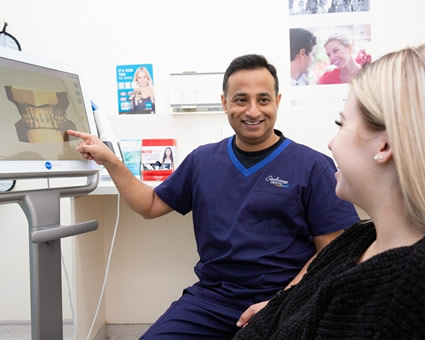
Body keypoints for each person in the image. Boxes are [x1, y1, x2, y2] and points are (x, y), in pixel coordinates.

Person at [67, 54, 359, 339]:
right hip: (212, 300)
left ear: (277, 102)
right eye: (241, 99)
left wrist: (280, 302)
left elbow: (332, 253)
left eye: (263, 99)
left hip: (285, 298)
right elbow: (150, 205)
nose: (253, 111)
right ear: (225, 103)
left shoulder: (313, 166)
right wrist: (111, 161)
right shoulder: (203, 160)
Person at [232, 44, 425, 339]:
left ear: (384, 145)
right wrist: (275, 311)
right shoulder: (357, 240)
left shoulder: (402, 295)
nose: (331, 143)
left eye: (341, 124)